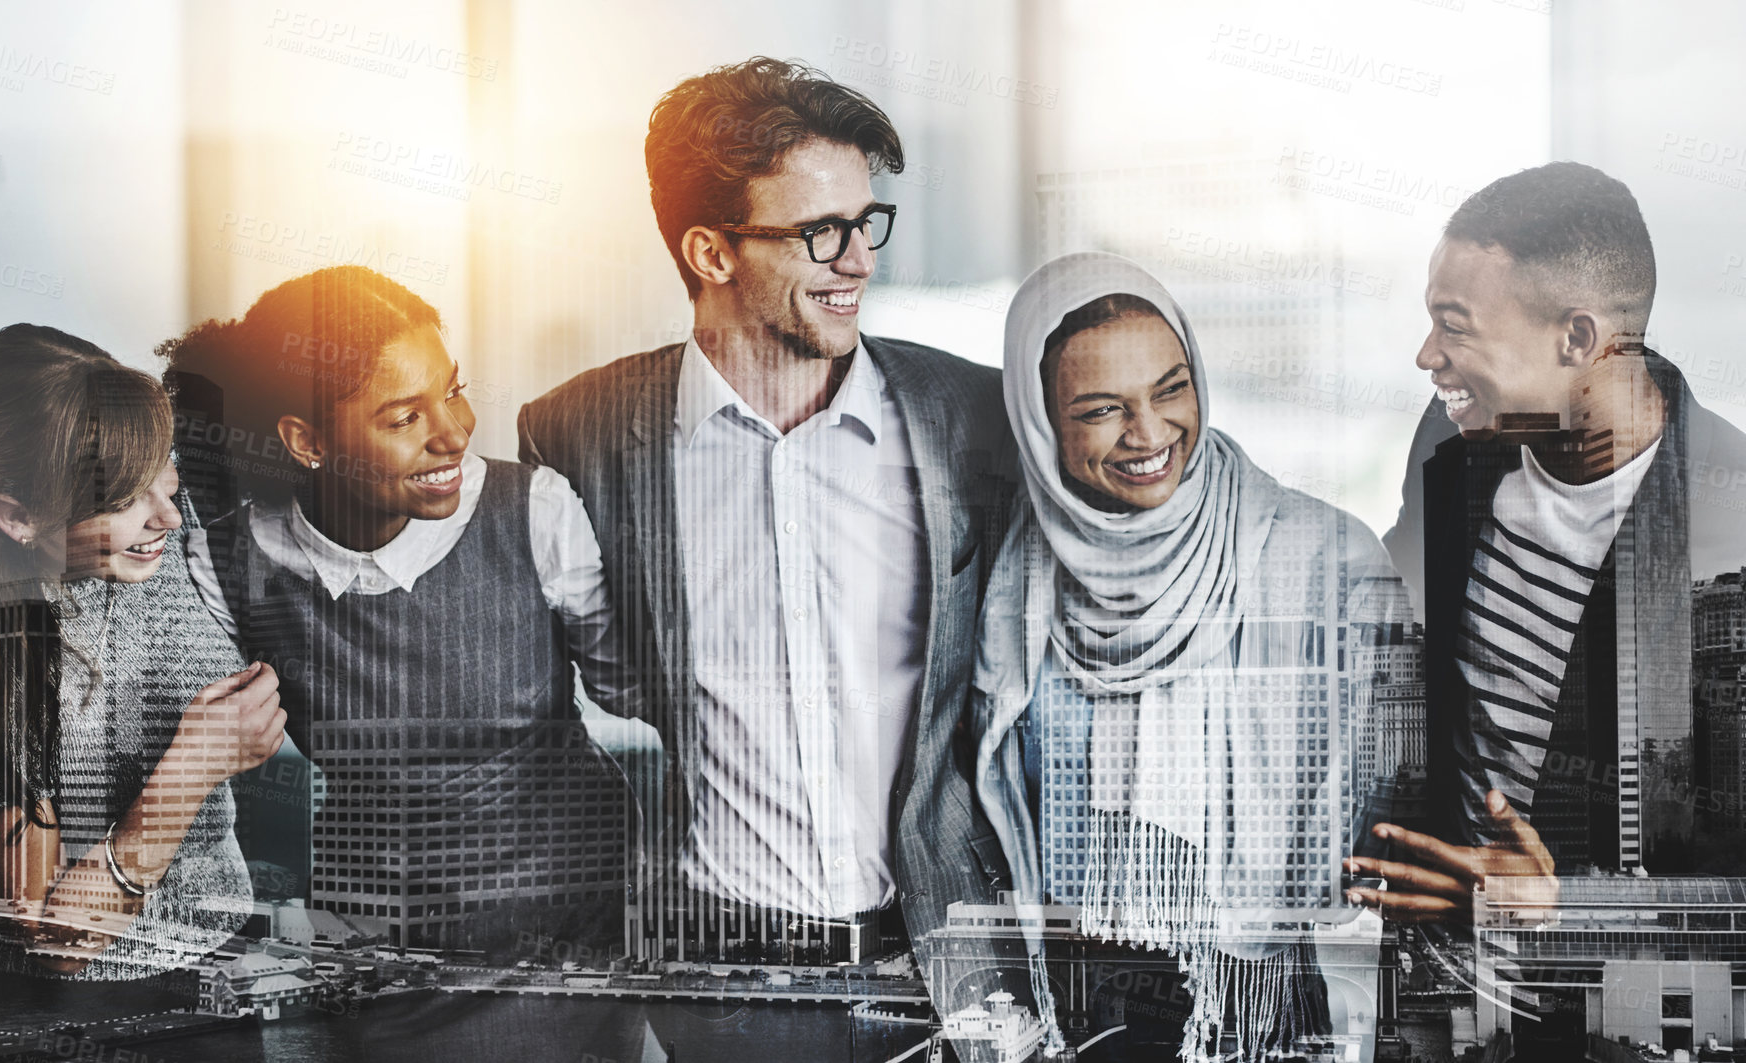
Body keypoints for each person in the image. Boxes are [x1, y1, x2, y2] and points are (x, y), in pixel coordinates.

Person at [518, 56, 1018, 997]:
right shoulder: (577, 433)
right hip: (712, 969)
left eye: (866, 223)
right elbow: (600, 680)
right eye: (821, 233)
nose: (860, 260)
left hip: (941, 964)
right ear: (711, 253)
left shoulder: (970, 416)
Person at [972, 253, 1408, 1060]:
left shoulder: (1329, 563)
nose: (1149, 434)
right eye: (1103, 409)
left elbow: (1392, 809)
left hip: (1265, 1004)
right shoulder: (1014, 584)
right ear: (1041, 425)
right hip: (1070, 1010)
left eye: (1171, 389)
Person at [163, 265, 638, 978]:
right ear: (307, 441)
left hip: (570, 936)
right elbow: (204, 740)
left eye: (453, 390)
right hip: (373, 940)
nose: (454, 434)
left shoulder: (533, 509)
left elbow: (628, 687)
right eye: (405, 417)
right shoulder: (226, 558)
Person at [0, 325, 282, 1059]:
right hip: (43, 1025)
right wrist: (195, 765)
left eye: (166, 473)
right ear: (17, 516)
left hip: (211, 996)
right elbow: (58, 941)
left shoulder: (163, 536)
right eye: (126, 497)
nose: (163, 514)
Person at [1364, 163, 1746, 927]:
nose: (1426, 354)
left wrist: (1567, 903)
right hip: (1440, 967)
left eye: (1454, 323)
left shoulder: (1725, 508)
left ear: (1578, 338)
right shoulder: (1451, 440)